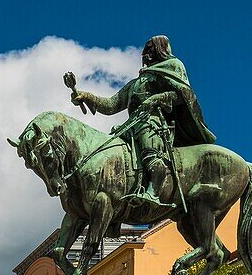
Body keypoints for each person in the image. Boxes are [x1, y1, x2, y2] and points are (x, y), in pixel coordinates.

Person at [70, 35, 215, 209]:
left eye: (150, 49)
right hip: (130, 126)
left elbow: (184, 95)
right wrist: (87, 96)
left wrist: (157, 98)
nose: (145, 53)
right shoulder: (135, 83)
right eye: (145, 49)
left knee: (150, 152)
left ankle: (153, 192)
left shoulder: (173, 66)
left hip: (152, 124)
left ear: (160, 50)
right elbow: (111, 105)